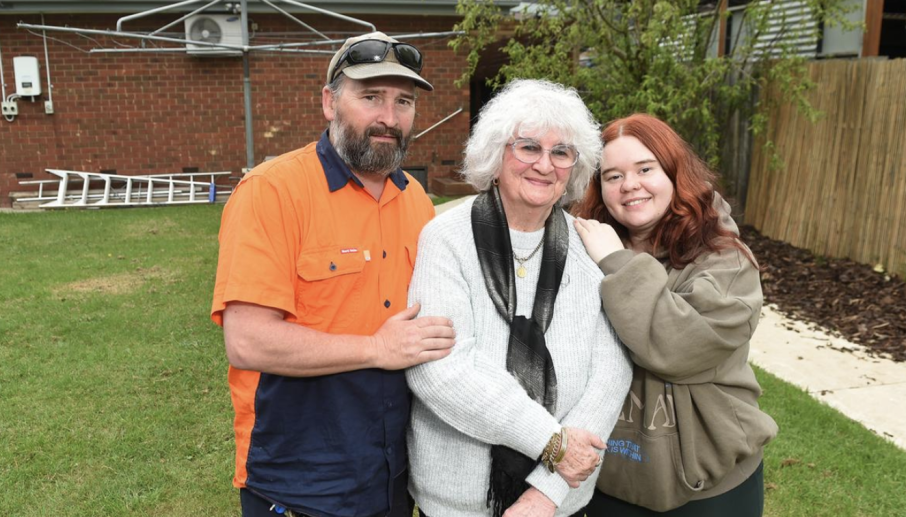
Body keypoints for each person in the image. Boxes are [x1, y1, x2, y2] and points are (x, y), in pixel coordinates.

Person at [210, 32, 456, 517]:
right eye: (370, 97)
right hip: (300, 476)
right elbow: (249, 341)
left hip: (394, 473)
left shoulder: (418, 203)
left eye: (403, 101)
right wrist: (376, 349)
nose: (389, 117)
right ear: (329, 102)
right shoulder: (272, 191)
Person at [405, 79, 633, 517]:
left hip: (560, 500)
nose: (545, 165)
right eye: (528, 147)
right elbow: (440, 370)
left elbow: (611, 372)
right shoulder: (445, 240)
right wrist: (552, 443)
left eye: (561, 152)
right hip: (457, 501)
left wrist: (547, 491)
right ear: (495, 155)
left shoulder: (592, 249)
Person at [571, 113, 778, 517]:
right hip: (604, 476)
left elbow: (677, 348)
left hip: (710, 488)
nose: (629, 185)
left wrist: (616, 262)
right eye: (612, 176)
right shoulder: (584, 252)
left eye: (645, 169)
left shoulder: (726, 262)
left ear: (674, 172)